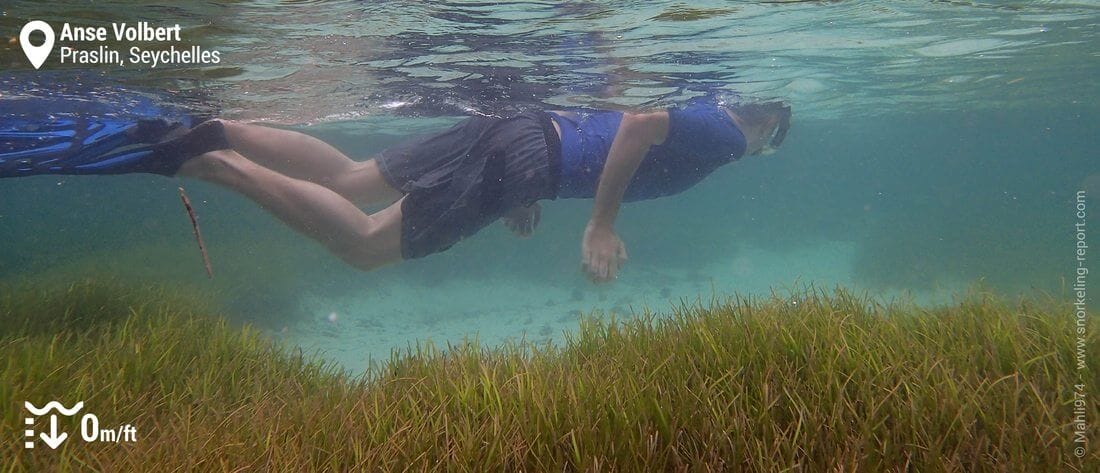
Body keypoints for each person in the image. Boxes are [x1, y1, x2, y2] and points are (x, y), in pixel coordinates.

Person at [1, 97, 790, 282]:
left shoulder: (710, 98)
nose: (769, 148)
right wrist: (599, 224)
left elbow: (600, 128)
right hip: (530, 153)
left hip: (520, 131)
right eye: (776, 138)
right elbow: (637, 125)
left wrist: (527, 190)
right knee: (366, 245)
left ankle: (218, 129)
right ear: (771, 123)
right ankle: (212, 164)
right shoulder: (729, 131)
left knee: (350, 173)